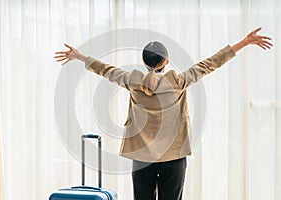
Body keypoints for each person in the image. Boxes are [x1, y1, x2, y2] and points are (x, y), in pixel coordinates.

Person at [54, 27, 272, 200]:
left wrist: (79, 56)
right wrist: (244, 42)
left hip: (141, 159)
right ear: (166, 61)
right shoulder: (179, 81)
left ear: (144, 62)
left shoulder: (133, 81)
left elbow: (106, 70)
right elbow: (210, 64)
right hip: (173, 158)